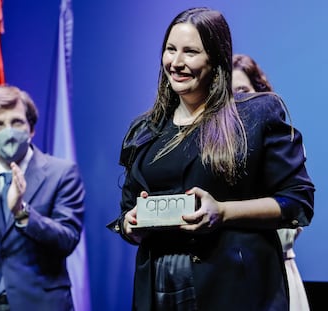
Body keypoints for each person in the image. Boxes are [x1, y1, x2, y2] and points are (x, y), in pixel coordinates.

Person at [107, 7, 314, 311]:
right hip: (159, 287)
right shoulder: (144, 130)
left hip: (236, 287)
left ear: (216, 59)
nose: (176, 63)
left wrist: (223, 212)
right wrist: (129, 225)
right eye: (170, 50)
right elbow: (126, 211)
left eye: (190, 52)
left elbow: (297, 203)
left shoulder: (255, 114)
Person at [0, 85, 85, 311]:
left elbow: (67, 240)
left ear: (31, 130)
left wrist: (22, 212)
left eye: (16, 122)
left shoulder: (62, 173)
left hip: (40, 303)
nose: (8, 131)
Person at [232, 53, 310, 311]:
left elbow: (296, 208)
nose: (237, 100)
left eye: (243, 90)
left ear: (260, 91)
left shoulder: (281, 149)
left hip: (275, 274)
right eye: (228, 93)